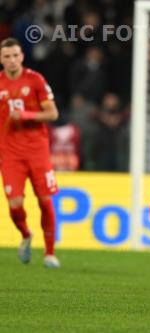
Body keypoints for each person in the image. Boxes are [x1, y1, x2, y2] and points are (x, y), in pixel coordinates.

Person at [0, 37, 60, 268]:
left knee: (45, 201)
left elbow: (52, 114)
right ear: (1, 59)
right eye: (7, 56)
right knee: (14, 204)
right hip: (10, 153)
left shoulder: (35, 80)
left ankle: (49, 253)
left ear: (22, 56)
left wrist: (26, 116)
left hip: (37, 151)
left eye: (16, 55)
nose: (12, 60)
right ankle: (26, 234)